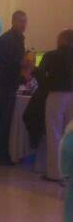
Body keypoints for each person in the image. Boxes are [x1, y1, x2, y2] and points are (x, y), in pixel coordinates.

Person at [0, 10, 27, 165]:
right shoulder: (8, 39)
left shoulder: (17, 39)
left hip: (9, 84)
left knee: (5, 121)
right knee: (3, 121)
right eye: (21, 21)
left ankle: (1, 154)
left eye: (25, 21)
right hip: (4, 85)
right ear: (13, 21)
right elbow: (4, 61)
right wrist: (21, 64)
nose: (24, 25)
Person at [38, 29, 73, 182]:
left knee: (54, 133)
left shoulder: (51, 55)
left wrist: (47, 85)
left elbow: (40, 74)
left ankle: (55, 173)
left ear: (62, 40)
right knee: (70, 134)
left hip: (56, 94)